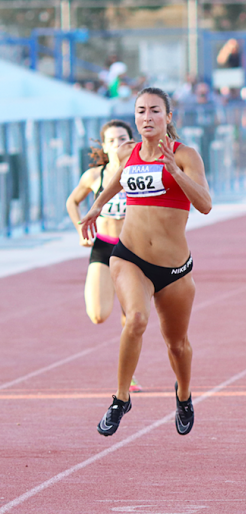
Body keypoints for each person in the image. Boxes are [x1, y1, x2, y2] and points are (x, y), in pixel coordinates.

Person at [80, 87, 212, 436]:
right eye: (141, 111)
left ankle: (183, 395)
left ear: (168, 117)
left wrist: (175, 171)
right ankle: (120, 398)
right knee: (136, 319)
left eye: (155, 111)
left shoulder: (186, 155)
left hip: (173, 267)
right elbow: (115, 181)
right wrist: (95, 207)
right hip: (129, 255)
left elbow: (205, 203)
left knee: (177, 344)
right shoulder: (127, 151)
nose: (147, 118)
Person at [65, 120, 141, 394]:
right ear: (105, 147)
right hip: (104, 246)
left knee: (131, 316)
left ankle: (127, 375)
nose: (118, 143)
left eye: (123, 138)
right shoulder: (94, 177)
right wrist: (80, 230)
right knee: (97, 314)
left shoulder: (139, 173)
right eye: (112, 140)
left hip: (132, 249)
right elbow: (72, 201)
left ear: (132, 141)